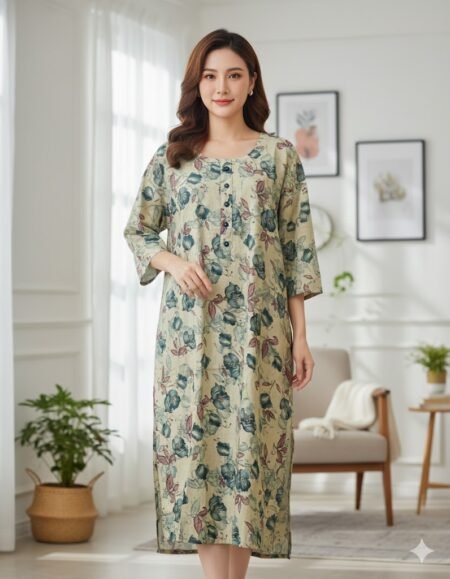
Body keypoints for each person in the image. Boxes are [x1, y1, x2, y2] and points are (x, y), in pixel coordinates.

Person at [123, 28, 323, 579]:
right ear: (197, 84)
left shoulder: (279, 157)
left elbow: (297, 251)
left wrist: (301, 337)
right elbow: (139, 232)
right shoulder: (173, 157)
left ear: (251, 82)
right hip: (191, 337)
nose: (221, 87)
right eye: (210, 76)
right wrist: (173, 261)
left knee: (249, 461)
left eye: (234, 75)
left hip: (261, 335)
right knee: (203, 461)